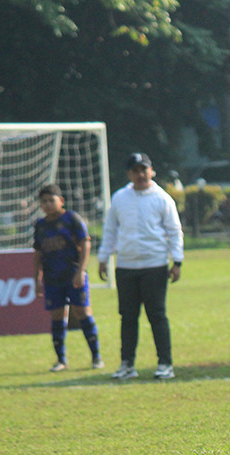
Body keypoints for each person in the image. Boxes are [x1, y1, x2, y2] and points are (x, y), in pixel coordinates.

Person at [97, 153, 184, 380]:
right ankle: (127, 364)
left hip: (154, 264)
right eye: (135, 170)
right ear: (129, 174)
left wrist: (177, 261)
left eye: (144, 169)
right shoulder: (120, 198)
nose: (140, 174)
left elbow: (174, 231)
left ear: (151, 170)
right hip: (126, 266)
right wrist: (103, 257)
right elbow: (110, 230)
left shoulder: (162, 198)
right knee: (127, 317)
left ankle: (165, 363)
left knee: (157, 315)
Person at [32, 184, 102, 372]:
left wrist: (81, 271)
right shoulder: (41, 225)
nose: (47, 204)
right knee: (56, 316)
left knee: (82, 313)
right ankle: (61, 360)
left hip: (73, 275)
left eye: (51, 200)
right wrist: (36, 278)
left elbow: (85, 245)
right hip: (53, 278)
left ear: (61, 201)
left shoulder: (72, 219)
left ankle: (96, 357)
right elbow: (38, 253)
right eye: (43, 201)